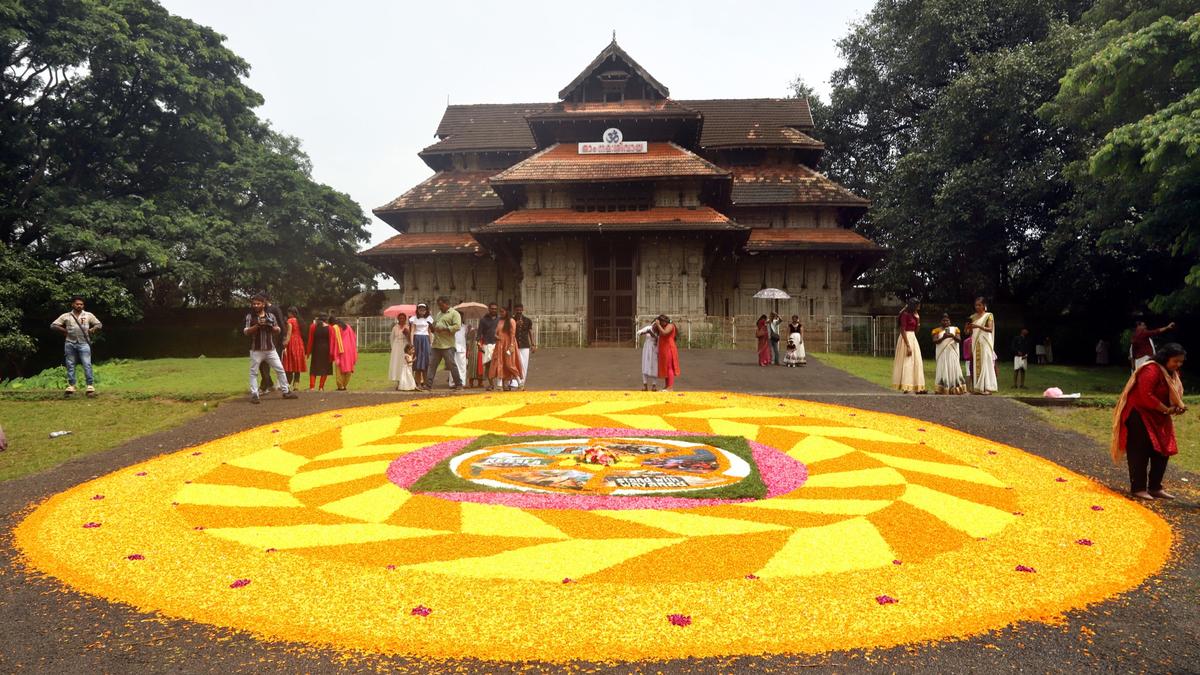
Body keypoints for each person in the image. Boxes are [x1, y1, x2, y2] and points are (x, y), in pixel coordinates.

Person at [1111, 343, 1186, 500]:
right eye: (1175, 361)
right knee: (1140, 451)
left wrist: (1176, 407)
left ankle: (1155, 487)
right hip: (1139, 414)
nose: (1178, 364)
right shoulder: (1151, 369)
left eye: (1181, 361)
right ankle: (1138, 488)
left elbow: (1174, 394)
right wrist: (1166, 409)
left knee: (1163, 451)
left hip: (1160, 416)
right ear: (1166, 358)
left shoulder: (1171, 373)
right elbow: (1146, 395)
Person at [243, 293, 297, 404]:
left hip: (270, 349)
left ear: (263, 304)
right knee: (254, 373)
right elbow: (246, 331)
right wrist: (257, 326)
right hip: (256, 350)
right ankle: (255, 395)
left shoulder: (270, 316)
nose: (256, 306)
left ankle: (286, 391)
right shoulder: (250, 316)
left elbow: (278, 329)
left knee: (280, 369)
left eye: (258, 303)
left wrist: (270, 327)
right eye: (254, 304)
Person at [51, 296, 103, 397]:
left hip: (84, 343)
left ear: (83, 305)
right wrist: (64, 331)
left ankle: (90, 386)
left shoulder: (88, 315)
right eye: (77, 304)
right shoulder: (66, 316)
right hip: (70, 343)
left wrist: (93, 329)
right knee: (70, 365)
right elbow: (53, 325)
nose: (79, 306)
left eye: (81, 304)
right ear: (73, 304)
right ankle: (71, 385)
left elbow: (99, 324)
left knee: (87, 364)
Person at [426, 296, 463, 391]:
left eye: (441, 305)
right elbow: (436, 326)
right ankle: (428, 385)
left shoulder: (455, 314)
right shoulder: (439, 314)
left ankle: (459, 384)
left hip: (448, 345)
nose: (439, 307)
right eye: (439, 305)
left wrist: (444, 329)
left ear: (447, 304)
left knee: (451, 365)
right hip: (436, 344)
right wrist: (432, 327)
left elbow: (457, 326)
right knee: (432, 365)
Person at [891, 298, 925, 394]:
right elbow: (902, 330)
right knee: (908, 362)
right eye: (918, 304)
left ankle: (917, 386)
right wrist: (908, 346)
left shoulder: (915, 315)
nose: (919, 306)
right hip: (905, 338)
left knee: (917, 361)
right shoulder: (905, 315)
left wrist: (918, 320)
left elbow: (916, 331)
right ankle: (906, 386)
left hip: (913, 338)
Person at [257, 293, 287, 394]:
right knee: (262, 364)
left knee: (273, 364)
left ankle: (267, 386)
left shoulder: (274, 309)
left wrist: (284, 337)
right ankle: (268, 384)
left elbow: (281, 323)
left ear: (265, 300)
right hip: (262, 341)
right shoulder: (260, 310)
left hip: (274, 340)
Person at [488, 306, 522, 391]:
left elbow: (512, 335)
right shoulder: (500, 321)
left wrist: (511, 346)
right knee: (499, 363)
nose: (501, 313)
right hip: (499, 345)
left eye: (502, 312)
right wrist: (496, 337)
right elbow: (496, 333)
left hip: (508, 345)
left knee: (509, 364)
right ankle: (499, 385)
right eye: (500, 312)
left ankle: (520, 383)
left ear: (507, 312)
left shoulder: (511, 321)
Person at [932, 314, 967, 395]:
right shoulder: (936, 330)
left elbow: (958, 340)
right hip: (942, 354)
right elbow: (935, 341)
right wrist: (943, 337)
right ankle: (942, 388)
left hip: (952, 353)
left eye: (947, 320)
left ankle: (956, 388)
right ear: (941, 321)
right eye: (944, 320)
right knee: (943, 368)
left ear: (950, 322)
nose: (945, 322)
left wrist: (952, 336)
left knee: (953, 368)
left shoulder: (955, 329)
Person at [969, 297, 998, 395]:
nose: (977, 307)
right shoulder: (972, 317)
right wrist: (968, 329)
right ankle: (978, 388)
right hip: (976, 343)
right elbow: (969, 331)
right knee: (976, 363)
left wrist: (978, 326)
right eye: (976, 305)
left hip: (985, 343)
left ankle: (987, 388)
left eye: (979, 305)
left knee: (985, 363)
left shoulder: (989, 315)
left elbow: (990, 329)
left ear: (984, 305)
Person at [408, 303, 434, 389]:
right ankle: (418, 383)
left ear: (426, 310)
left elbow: (430, 332)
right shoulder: (414, 319)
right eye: (420, 309)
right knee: (418, 361)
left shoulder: (429, 319)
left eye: (423, 309)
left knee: (426, 361)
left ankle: (426, 384)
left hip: (425, 339)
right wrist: (412, 343)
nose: (422, 311)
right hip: (417, 339)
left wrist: (431, 343)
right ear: (417, 310)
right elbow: (412, 331)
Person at [306, 315, 333, 391]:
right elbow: (332, 341)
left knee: (314, 368)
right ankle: (321, 387)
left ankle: (312, 387)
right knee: (325, 368)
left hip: (316, 349)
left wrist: (308, 352)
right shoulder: (330, 328)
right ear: (326, 320)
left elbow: (310, 340)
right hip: (326, 350)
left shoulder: (313, 327)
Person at [282, 307, 307, 390]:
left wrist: (285, 344)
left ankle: (288, 384)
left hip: (292, 343)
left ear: (291, 313)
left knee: (290, 364)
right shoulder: (301, 322)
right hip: (299, 343)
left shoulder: (290, 321)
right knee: (297, 365)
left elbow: (289, 334)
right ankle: (296, 385)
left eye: (288, 313)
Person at [513, 303, 536, 390]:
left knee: (524, 364)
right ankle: (515, 382)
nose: (519, 311)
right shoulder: (511, 320)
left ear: (522, 310)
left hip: (525, 345)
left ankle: (522, 382)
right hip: (514, 345)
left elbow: (530, 332)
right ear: (515, 310)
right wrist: (515, 324)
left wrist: (533, 344)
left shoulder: (527, 320)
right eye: (517, 310)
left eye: (520, 310)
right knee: (515, 363)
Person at [331, 319, 358, 391]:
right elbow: (354, 337)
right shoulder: (348, 327)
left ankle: (340, 385)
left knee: (339, 368)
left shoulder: (336, 328)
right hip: (349, 349)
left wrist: (332, 351)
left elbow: (333, 340)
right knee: (348, 367)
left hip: (340, 349)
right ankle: (345, 384)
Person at [656, 315, 681, 391]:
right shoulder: (664, 325)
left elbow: (664, 333)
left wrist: (658, 325)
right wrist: (656, 325)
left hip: (669, 348)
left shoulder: (670, 325)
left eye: (661, 322)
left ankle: (670, 387)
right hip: (664, 348)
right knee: (666, 367)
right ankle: (667, 386)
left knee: (669, 367)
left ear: (664, 321)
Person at [477, 303, 500, 386]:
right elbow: (479, 333)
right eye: (492, 308)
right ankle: (491, 384)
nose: (493, 310)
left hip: (497, 344)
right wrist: (479, 343)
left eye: (495, 309)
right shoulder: (483, 320)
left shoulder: (499, 319)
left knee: (498, 364)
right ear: (489, 309)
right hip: (487, 344)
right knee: (488, 365)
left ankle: (500, 384)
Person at [388, 313, 410, 391]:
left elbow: (410, 340)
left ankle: (405, 383)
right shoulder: (395, 328)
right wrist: (393, 348)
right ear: (398, 319)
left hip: (405, 347)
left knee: (404, 364)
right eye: (400, 318)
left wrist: (407, 334)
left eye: (403, 318)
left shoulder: (408, 327)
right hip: (396, 348)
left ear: (405, 319)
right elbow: (392, 338)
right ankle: (398, 383)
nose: (401, 319)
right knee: (397, 364)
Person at [637, 321, 660, 390]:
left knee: (654, 366)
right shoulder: (648, 328)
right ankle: (645, 385)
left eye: (656, 326)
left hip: (654, 348)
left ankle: (654, 385)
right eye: (654, 325)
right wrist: (644, 332)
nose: (654, 327)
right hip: (647, 348)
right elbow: (638, 332)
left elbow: (658, 338)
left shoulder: (659, 331)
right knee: (645, 365)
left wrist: (651, 333)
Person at [449, 320, 468, 388]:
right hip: (453, 347)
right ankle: (452, 383)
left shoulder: (465, 327)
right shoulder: (452, 327)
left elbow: (466, 336)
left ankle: (462, 382)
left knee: (462, 366)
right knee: (453, 365)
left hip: (462, 348)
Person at [465, 324, 483, 388]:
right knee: (472, 367)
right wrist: (469, 351)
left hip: (480, 351)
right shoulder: (473, 332)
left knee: (480, 367)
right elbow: (469, 342)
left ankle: (480, 383)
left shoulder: (483, 333)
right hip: (473, 351)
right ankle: (471, 383)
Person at [962, 324, 975, 392]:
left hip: (967, 359)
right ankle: (972, 388)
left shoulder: (966, 341)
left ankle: (968, 389)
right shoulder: (972, 340)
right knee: (971, 374)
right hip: (971, 359)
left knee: (968, 374)